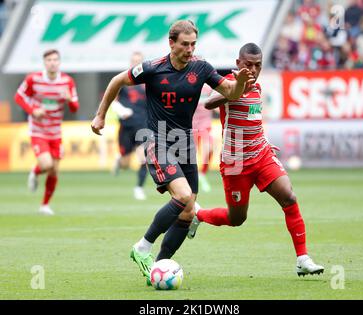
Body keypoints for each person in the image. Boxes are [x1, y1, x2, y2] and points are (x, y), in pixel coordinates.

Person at [91, 20, 254, 285]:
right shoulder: (153, 68)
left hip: (185, 143)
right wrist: (100, 116)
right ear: (171, 43)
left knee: (188, 212)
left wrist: (241, 85)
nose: (190, 50)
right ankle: (142, 247)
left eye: (193, 44)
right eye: (184, 44)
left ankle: (157, 268)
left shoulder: (201, 67)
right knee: (183, 195)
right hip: (158, 140)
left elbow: (229, 92)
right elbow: (116, 81)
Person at [187, 43, 324, 277]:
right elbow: (209, 103)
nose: (252, 70)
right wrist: (237, 87)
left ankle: (302, 258)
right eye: (248, 65)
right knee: (236, 218)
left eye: (257, 65)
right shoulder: (227, 82)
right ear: (238, 63)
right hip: (235, 163)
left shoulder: (258, 87)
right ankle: (198, 215)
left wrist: (264, 141)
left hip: (261, 155)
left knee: (289, 197)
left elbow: (254, 120)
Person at [14, 49, 80, 215]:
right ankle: (35, 171)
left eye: (55, 60)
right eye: (49, 60)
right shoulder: (33, 79)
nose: (52, 62)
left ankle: (44, 205)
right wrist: (33, 110)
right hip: (38, 130)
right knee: (46, 164)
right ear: (44, 62)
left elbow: (74, 108)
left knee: (54, 170)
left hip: (56, 131)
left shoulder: (67, 81)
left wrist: (68, 100)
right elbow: (19, 97)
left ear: (59, 62)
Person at [111, 52, 148, 200]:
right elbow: (112, 100)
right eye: (133, 61)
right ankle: (120, 160)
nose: (136, 64)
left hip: (144, 125)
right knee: (126, 163)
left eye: (138, 61)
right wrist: (121, 110)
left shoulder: (148, 82)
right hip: (126, 126)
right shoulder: (122, 80)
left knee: (144, 158)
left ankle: (139, 188)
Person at [192, 84, 214, 193]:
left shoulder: (209, 88)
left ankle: (202, 174)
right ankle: (193, 178)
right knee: (191, 155)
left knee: (209, 149)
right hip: (191, 125)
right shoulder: (189, 84)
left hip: (205, 124)